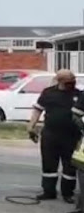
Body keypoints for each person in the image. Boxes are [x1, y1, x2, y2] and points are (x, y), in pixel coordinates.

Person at [27, 69, 79, 203]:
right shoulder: (48, 93)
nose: (72, 84)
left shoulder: (79, 95)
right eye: (68, 82)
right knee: (49, 165)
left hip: (72, 136)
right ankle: (48, 192)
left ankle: (68, 193)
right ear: (59, 81)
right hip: (50, 134)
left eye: (73, 81)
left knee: (70, 166)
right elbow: (38, 109)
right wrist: (31, 126)